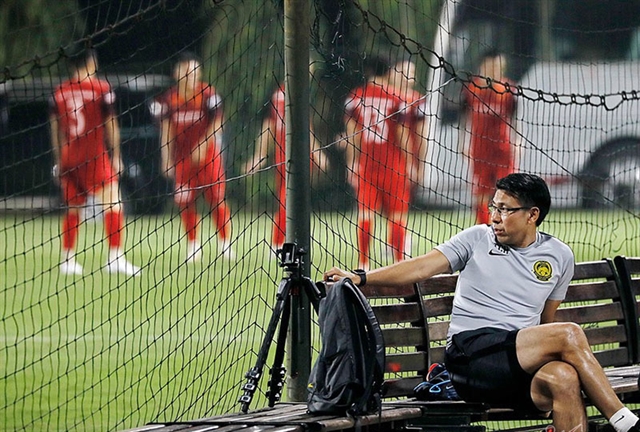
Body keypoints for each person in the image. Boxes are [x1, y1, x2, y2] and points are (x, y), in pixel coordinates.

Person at [324, 173, 640, 432]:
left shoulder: (560, 255)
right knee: (568, 333)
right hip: (470, 357)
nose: (495, 218)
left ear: (533, 215)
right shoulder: (477, 238)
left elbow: (546, 320)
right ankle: (625, 422)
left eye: (506, 210)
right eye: (494, 207)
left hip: (514, 362)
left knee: (563, 377)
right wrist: (361, 278)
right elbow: (421, 267)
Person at [50, 48, 140, 276]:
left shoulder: (60, 92)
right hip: (94, 157)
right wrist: (116, 156)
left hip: (70, 157)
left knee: (73, 208)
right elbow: (111, 125)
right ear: (91, 62)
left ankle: (67, 259)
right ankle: (115, 257)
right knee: (114, 202)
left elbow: (56, 128)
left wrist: (60, 159)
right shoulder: (101, 89)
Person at [152, 52, 233, 262]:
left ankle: (225, 244)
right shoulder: (169, 99)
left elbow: (218, 124)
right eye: (187, 72)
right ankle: (193, 245)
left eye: (195, 71)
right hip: (183, 161)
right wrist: (166, 158)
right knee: (185, 202)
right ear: (178, 72)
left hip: (209, 159)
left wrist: (203, 145)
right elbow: (166, 131)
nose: (192, 76)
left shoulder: (208, 94)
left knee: (216, 200)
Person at [343, 56, 414, 270]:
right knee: (397, 216)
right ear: (389, 71)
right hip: (393, 165)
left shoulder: (355, 97)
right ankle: (399, 263)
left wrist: (352, 162)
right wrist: (411, 163)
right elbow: (402, 135)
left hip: (367, 166)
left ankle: (363, 263)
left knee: (365, 214)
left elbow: (352, 134)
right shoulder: (397, 98)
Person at [242, 83, 327, 250]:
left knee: (289, 203)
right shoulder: (295, 93)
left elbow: (268, 126)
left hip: (283, 158)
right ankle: (279, 244)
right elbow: (304, 129)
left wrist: (260, 154)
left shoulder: (277, 94)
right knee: (288, 203)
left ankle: (285, 243)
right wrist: (317, 154)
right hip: (296, 159)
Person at [464, 50, 517, 225]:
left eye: (498, 66)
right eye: (491, 66)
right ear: (483, 66)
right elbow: (463, 118)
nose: (495, 70)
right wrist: (462, 143)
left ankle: (506, 230)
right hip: (480, 151)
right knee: (481, 194)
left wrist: (518, 143)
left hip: (503, 151)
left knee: (508, 193)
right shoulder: (471, 89)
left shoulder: (509, 90)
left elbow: (515, 119)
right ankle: (482, 231)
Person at [385, 58, 429, 258]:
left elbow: (421, 133)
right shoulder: (386, 97)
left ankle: (400, 242)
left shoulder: (417, 101)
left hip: (402, 161)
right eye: (401, 71)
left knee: (399, 205)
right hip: (382, 158)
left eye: (409, 72)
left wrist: (418, 162)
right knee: (388, 206)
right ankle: (393, 240)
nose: (405, 77)